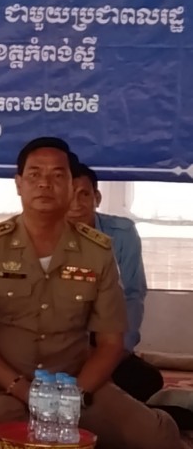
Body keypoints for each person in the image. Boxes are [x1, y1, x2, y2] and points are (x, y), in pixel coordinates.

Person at [0, 136, 180, 449]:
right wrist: (22, 389)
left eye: (57, 175)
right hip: (5, 389)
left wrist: (74, 395)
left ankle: (166, 408)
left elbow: (110, 343)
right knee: (0, 431)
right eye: (35, 174)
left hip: (77, 387)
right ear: (19, 184)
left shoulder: (98, 251)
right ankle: (73, 435)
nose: (45, 183)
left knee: (157, 442)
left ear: (72, 186)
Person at [68, 161, 163, 403]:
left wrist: (119, 350)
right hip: (61, 340)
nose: (76, 204)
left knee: (146, 380)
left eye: (84, 194)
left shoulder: (121, 232)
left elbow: (133, 294)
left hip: (106, 335)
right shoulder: (44, 234)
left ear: (97, 197)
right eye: (68, 195)